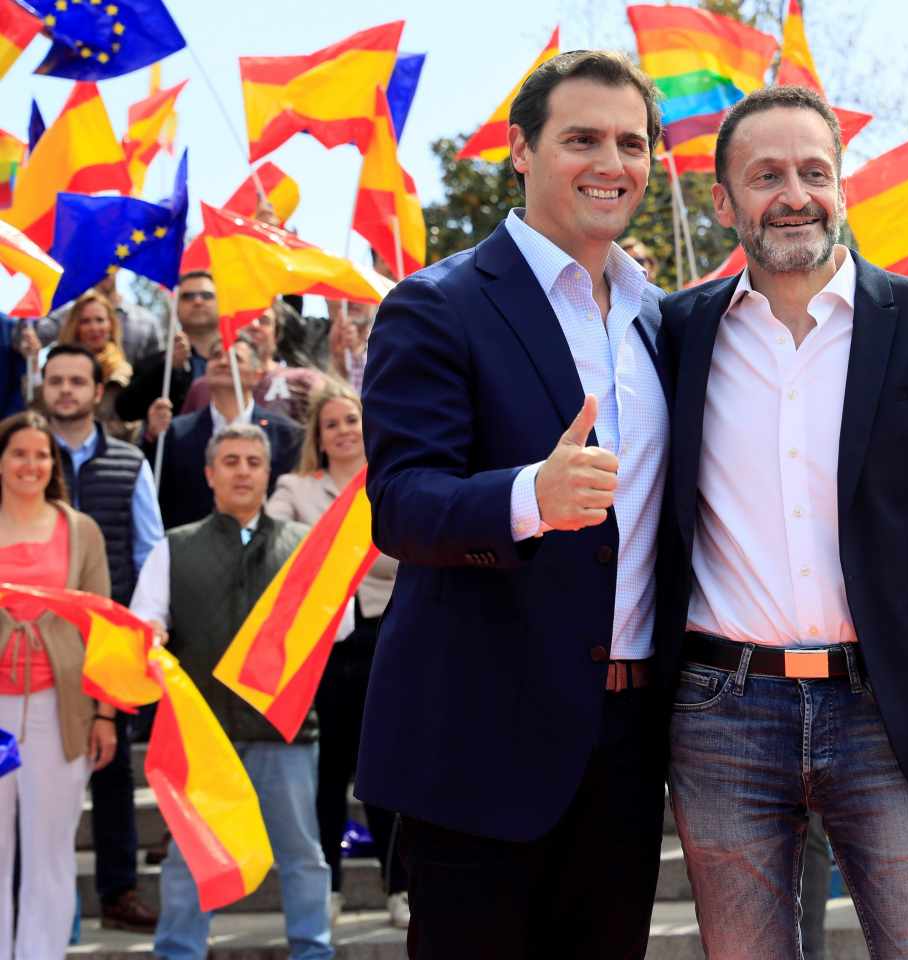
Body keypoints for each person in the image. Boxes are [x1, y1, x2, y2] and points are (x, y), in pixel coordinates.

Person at [659, 85, 908, 959]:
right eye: (766, 173)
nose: (794, 193)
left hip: (889, 714)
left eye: (815, 171)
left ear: (842, 186)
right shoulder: (672, 334)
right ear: (722, 200)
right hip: (721, 713)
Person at [357, 50, 668, 958]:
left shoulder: (662, 318)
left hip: (628, 744)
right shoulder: (437, 304)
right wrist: (532, 495)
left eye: (631, 142)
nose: (611, 162)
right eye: (582, 139)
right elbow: (403, 504)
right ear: (520, 151)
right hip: (480, 745)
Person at [130, 423, 336, 960]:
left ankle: (313, 951)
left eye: (253, 461)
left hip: (284, 731)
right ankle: (179, 951)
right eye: (231, 461)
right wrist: (149, 638)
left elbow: (340, 629)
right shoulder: (172, 548)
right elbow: (144, 625)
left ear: (269, 473)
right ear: (209, 474)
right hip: (203, 738)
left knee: (302, 855)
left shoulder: (303, 545)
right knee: (188, 857)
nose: (243, 471)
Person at [266, 379, 409, 930]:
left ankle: (399, 885)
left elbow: (405, 548)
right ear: (319, 438)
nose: (344, 431)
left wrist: (342, 545)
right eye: (332, 425)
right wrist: (347, 539)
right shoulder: (295, 487)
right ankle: (327, 887)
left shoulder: (389, 479)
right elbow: (280, 543)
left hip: (386, 637)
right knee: (328, 773)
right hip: (325, 647)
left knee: (386, 768)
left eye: (351, 420)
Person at [41, 344, 164, 933]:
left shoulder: (129, 463)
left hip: (107, 637)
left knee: (112, 770)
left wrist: (140, 628)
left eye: (76, 381)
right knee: (37, 770)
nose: (66, 390)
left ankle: (118, 891)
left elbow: (150, 551)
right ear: (41, 389)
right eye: (55, 381)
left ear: (97, 390)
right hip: (34, 641)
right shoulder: (21, 458)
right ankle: (46, 901)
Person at [0, 411, 115, 958]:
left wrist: (105, 715)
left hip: (61, 705)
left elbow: (102, 625)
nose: (31, 464)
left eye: (41, 454)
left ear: (54, 463)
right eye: (19, 453)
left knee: (50, 849)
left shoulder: (80, 528)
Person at [143, 334, 302, 529]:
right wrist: (151, 437)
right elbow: (155, 494)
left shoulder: (287, 435)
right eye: (216, 356)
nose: (224, 362)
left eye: (236, 358)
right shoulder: (176, 433)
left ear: (257, 375)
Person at [182, 300, 326, 423]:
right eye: (245, 318)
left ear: (276, 336)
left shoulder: (304, 381)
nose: (254, 325)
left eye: (264, 321)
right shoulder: (204, 386)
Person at [114, 271, 222, 423]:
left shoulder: (240, 360)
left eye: (207, 295)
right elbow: (126, 410)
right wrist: (170, 368)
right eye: (188, 297)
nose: (198, 301)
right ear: (176, 306)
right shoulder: (154, 364)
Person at [51, 290, 135, 438]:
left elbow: (130, 426)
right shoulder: (57, 367)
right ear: (75, 327)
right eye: (85, 321)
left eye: (100, 320)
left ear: (111, 325)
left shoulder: (123, 373)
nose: (94, 328)